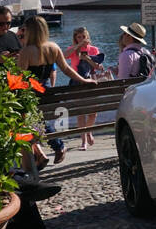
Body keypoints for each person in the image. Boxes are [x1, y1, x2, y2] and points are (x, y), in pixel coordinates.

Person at [21, 17, 95, 163]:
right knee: (36, 120)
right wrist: (84, 80)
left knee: (30, 120)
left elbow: (19, 77)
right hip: (47, 92)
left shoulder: (26, 51)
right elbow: (66, 69)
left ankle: (53, 147)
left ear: (29, 31)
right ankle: (48, 150)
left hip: (31, 93)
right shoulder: (53, 47)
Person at [64, 27, 104, 149]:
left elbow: (98, 67)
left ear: (87, 36)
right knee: (81, 113)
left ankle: (88, 132)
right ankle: (83, 141)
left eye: (83, 36)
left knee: (93, 113)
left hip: (91, 80)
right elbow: (64, 56)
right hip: (77, 81)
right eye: (78, 37)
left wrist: (87, 59)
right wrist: (78, 46)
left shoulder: (93, 49)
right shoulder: (72, 49)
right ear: (75, 38)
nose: (81, 39)